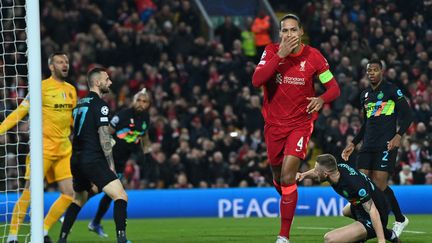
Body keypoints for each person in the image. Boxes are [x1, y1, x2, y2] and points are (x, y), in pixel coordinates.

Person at [251, 13, 340, 243]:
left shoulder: (314, 57)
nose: (289, 34)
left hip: (300, 124)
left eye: (293, 30)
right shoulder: (271, 51)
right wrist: (279, 56)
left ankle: (283, 236)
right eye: (284, 30)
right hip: (273, 125)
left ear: (301, 32)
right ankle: (284, 192)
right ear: (280, 34)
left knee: (289, 176)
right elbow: (257, 80)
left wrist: (321, 99)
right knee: (278, 176)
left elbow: (334, 88)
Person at [1, 52, 77, 243]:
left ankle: (42, 230)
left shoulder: (71, 90)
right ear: (51, 66)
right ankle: (12, 236)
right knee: (30, 191)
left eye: (66, 61)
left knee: (69, 194)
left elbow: (72, 119)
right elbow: (20, 111)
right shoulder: (40, 88)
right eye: (60, 62)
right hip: (42, 148)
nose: (64, 64)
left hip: (64, 149)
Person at [341, 59, 413, 237]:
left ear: (382, 71)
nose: (371, 73)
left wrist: (398, 135)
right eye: (368, 70)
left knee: (379, 187)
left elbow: (408, 114)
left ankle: (398, 219)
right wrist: (353, 143)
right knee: (363, 184)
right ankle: (368, 222)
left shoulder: (391, 90)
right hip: (367, 145)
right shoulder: (364, 95)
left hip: (386, 145)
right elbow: (366, 123)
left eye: (374, 70)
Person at [58, 68, 130, 243]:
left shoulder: (80, 104)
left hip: (76, 159)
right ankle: (122, 239)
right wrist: (110, 163)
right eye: (107, 79)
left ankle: (62, 239)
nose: (110, 82)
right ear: (98, 82)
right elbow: (104, 135)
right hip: (92, 159)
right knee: (121, 196)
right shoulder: (101, 105)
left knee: (79, 199)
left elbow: (74, 133)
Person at [88, 88, 151, 237]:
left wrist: (146, 151)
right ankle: (71, 208)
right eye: (139, 100)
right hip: (109, 159)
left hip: (121, 163)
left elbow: (145, 135)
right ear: (133, 101)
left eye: (144, 101)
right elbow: (106, 132)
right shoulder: (123, 115)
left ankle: (95, 222)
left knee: (112, 194)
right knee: (95, 190)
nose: (141, 103)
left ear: (148, 104)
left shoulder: (146, 118)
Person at [297, 154, 400, 243]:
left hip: (376, 213)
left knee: (330, 239)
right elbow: (317, 172)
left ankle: (377, 231)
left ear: (325, 174)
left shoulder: (353, 185)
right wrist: (303, 175)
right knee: (345, 211)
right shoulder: (337, 169)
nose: (314, 172)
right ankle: (388, 234)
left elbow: (373, 210)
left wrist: (381, 240)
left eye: (316, 170)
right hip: (360, 206)